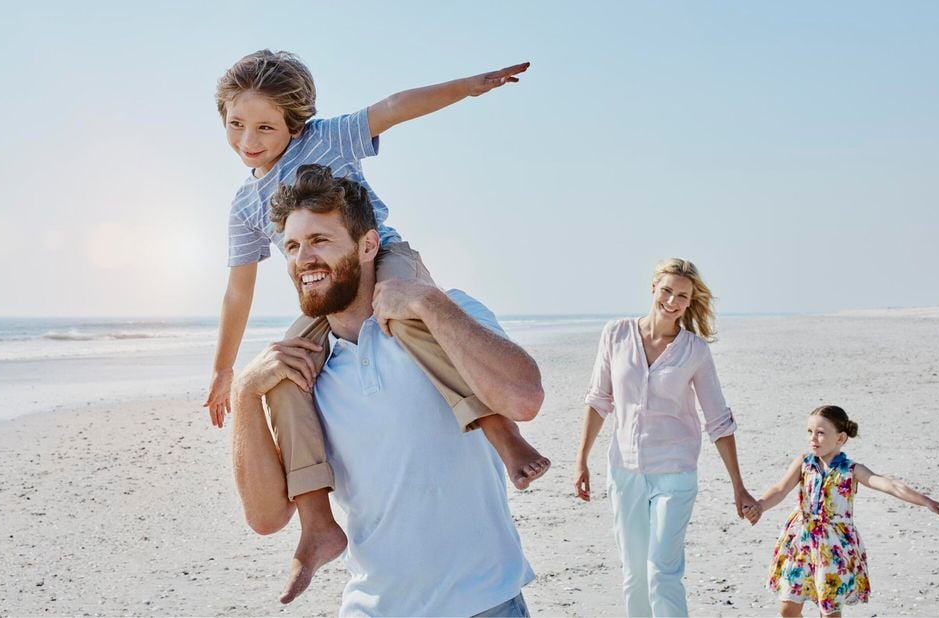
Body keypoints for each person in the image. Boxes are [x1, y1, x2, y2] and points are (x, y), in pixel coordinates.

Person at [208, 50, 549, 603]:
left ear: (294, 123)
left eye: (265, 126)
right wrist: (229, 371)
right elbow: (238, 288)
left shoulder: (327, 138)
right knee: (283, 373)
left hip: (388, 261)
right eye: (236, 124)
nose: (249, 138)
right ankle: (317, 524)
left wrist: (469, 83)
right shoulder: (245, 203)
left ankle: (500, 433)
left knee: (405, 313)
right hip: (326, 305)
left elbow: (394, 107)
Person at [231, 167, 539, 616]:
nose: (303, 258)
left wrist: (429, 302)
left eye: (321, 240)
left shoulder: (446, 314)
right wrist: (243, 393)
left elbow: (525, 398)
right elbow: (264, 518)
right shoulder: (303, 366)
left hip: (485, 602)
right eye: (293, 246)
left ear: (369, 245)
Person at [573, 258, 758, 617]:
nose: (673, 301)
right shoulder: (616, 333)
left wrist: (739, 485)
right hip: (623, 471)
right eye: (667, 291)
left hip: (674, 472)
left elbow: (719, 420)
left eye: (683, 296)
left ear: (691, 302)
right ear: (653, 287)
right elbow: (598, 399)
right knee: (634, 576)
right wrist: (581, 460)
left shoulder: (695, 351)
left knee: (662, 572)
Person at [743, 405, 939, 617]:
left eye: (820, 433)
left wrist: (925, 501)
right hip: (801, 541)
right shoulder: (804, 463)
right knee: (788, 610)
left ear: (840, 438)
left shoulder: (852, 470)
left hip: (834, 546)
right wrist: (760, 505)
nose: (812, 438)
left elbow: (889, 484)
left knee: (829, 610)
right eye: (809, 432)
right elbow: (780, 489)